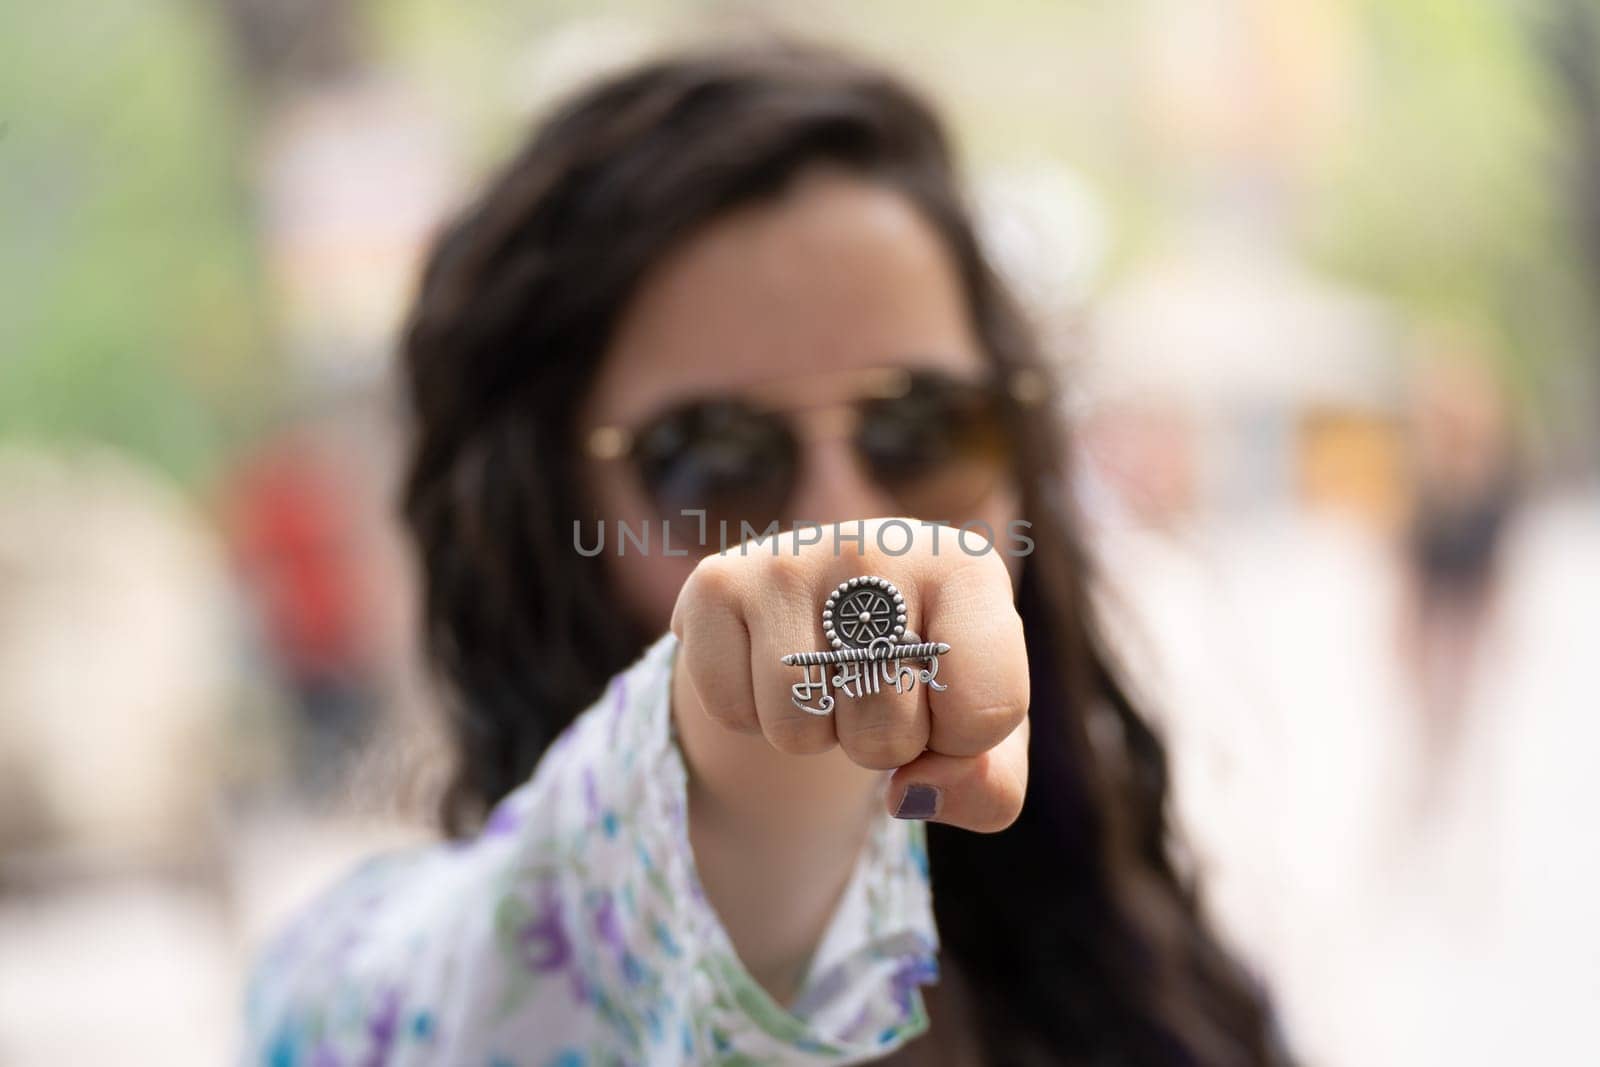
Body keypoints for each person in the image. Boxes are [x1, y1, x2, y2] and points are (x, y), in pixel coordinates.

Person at [241, 41, 1282, 1066]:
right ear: (541, 530)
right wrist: (743, 780)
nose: (848, 527)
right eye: (713, 459)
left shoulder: (1157, 971)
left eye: (921, 429)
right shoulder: (361, 995)